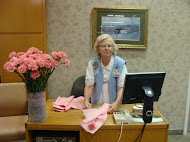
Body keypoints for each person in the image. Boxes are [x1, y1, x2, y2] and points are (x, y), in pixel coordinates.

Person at [84, 34, 128, 113]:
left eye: (109, 46)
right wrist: (86, 101)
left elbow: (122, 87)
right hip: (96, 104)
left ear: (113, 48)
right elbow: (89, 85)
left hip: (115, 104)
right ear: (98, 49)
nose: (107, 48)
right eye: (103, 46)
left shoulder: (120, 64)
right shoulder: (93, 63)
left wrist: (116, 104)